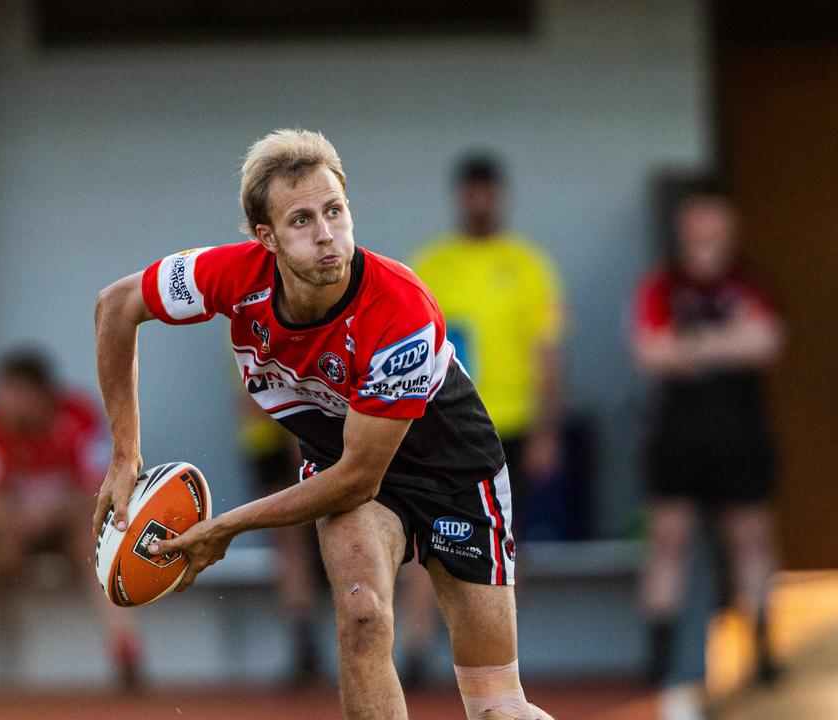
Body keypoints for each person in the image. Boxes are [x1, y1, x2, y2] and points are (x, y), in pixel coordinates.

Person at [94, 129, 553, 720]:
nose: (327, 234)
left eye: (334, 211)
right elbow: (116, 306)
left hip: (453, 473)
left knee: (497, 706)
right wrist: (124, 454)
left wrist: (226, 527)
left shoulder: (399, 310)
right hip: (346, 462)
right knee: (362, 618)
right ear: (267, 239)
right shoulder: (230, 276)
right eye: (302, 221)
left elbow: (359, 479)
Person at [632, 180, 784, 717]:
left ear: (729, 221)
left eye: (714, 216)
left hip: (740, 432)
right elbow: (650, 352)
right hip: (676, 434)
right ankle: (659, 661)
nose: (705, 227)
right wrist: (725, 344)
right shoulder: (662, 285)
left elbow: (766, 342)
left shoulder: (750, 282)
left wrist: (690, 348)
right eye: (696, 217)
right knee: (668, 542)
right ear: (683, 224)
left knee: (751, 539)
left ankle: (763, 651)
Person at [0, 350, 142, 692]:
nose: (7, 404)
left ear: (41, 394)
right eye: (2, 394)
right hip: (11, 530)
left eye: (15, 395)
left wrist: (53, 510)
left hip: (72, 525)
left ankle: (127, 657)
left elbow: (101, 488)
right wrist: (12, 518)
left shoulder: (77, 416)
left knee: (101, 545)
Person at [411, 153, 566, 534]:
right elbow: (410, 351)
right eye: (472, 194)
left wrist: (546, 432)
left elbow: (547, 352)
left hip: (511, 421)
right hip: (446, 421)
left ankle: (510, 598)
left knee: (508, 531)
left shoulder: (528, 264)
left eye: (487, 193)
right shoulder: (432, 265)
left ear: (500, 196)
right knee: (435, 532)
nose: (480, 202)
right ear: (460, 197)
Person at [238, 393, 326, 686]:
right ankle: (305, 644)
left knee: (312, 538)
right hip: (272, 435)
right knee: (290, 543)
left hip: (299, 431)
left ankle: (309, 645)